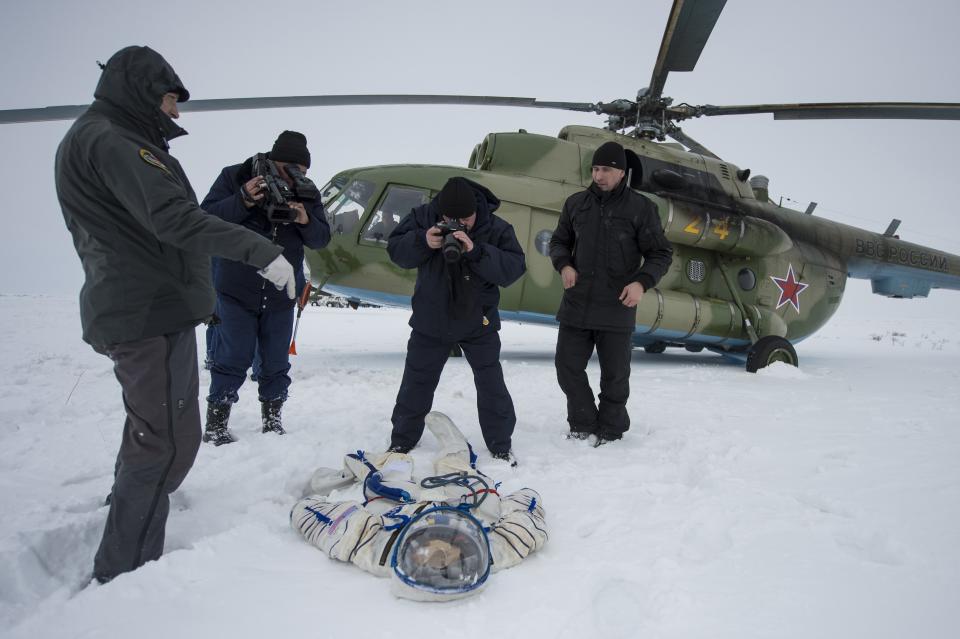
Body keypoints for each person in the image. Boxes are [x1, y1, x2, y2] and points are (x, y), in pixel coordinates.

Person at [54, 46, 297, 583]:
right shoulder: (115, 142)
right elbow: (176, 218)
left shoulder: (114, 139)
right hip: (145, 313)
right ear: (143, 93)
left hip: (153, 309)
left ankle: (127, 516)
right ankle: (125, 577)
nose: (176, 114)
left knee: (155, 432)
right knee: (165, 443)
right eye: (170, 100)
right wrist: (261, 250)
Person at [291, 412, 547, 601]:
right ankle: (455, 448)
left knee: (386, 471)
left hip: (400, 505)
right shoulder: (495, 551)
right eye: (448, 557)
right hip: (462, 503)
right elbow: (528, 508)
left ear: (410, 561)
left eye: (430, 557)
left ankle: (356, 467)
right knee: (463, 473)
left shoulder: (377, 551)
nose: (439, 547)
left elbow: (316, 517)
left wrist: (313, 500)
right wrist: (514, 502)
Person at [200, 131, 331, 445]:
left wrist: (304, 220)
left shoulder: (306, 193)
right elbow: (204, 220)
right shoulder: (235, 177)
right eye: (289, 168)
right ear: (272, 160)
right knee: (232, 356)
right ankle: (217, 423)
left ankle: (272, 420)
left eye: (302, 170)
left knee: (275, 361)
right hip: (235, 287)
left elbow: (321, 238)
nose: (294, 176)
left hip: (281, 293)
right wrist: (243, 198)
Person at [386, 177, 526, 464]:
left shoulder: (496, 227)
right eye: (450, 218)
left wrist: (476, 251)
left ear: (476, 210)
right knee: (416, 382)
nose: (458, 223)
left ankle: (500, 444)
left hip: (479, 319)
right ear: (441, 211)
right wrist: (423, 240)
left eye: (465, 218)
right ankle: (402, 441)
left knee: (491, 383)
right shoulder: (423, 217)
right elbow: (396, 251)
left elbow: (514, 268)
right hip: (431, 316)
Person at [549, 141, 673, 446]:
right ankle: (582, 421)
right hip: (577, 304)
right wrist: (564, 264)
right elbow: (559, 242)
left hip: (617, 305)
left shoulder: (641, 208)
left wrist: (641, 282)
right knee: (567, 368)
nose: (598, 175)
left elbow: (660, 253)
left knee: (615, 377)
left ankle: (611, 428)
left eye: (605, 169)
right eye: (595, 169)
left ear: (621, 172)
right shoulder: (576, 204)